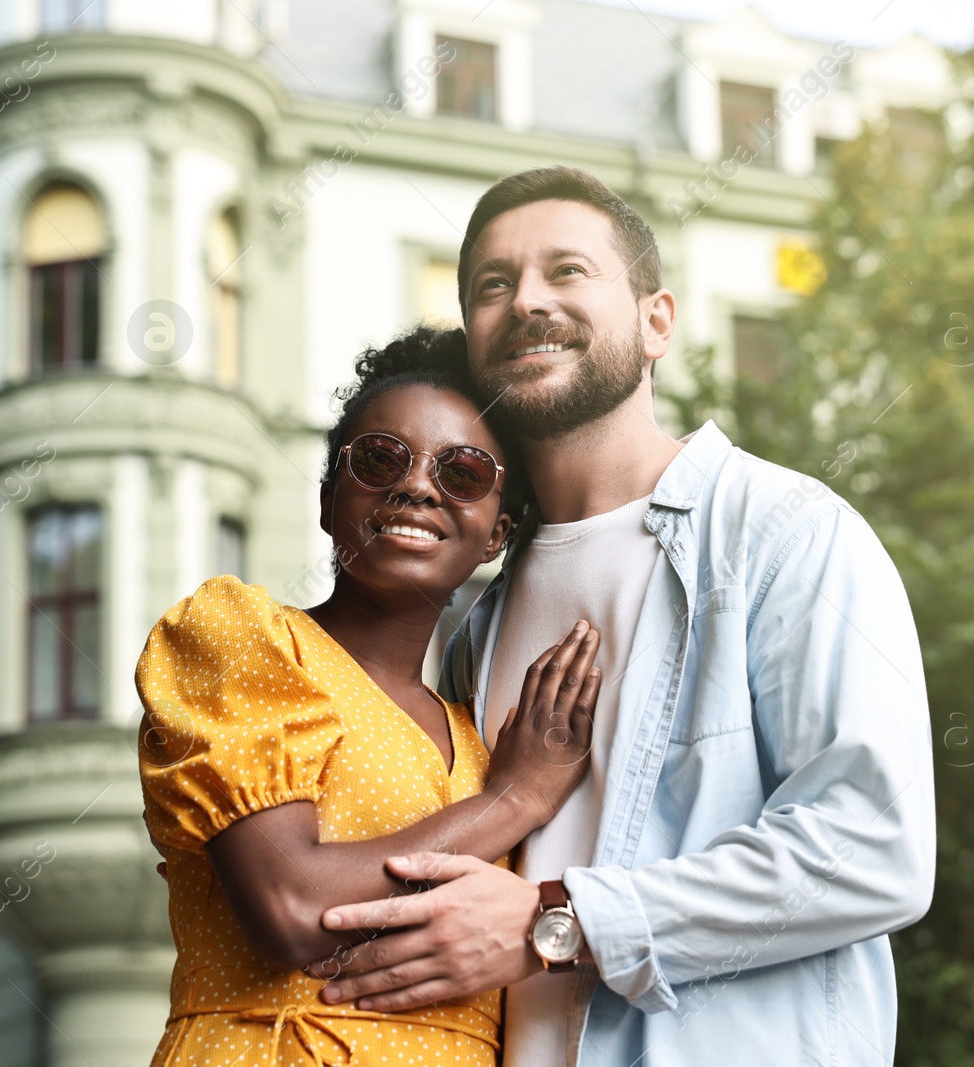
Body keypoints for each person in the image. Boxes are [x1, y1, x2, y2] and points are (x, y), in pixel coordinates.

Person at [315, 167, 937, 1066]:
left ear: (657, 321)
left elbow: (872, 844)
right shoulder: (467, 628)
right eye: (494, 284)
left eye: (568, 271)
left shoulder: (784, 534)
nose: (528, 299)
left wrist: (554, 923)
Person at [135, 326, 602, 1066]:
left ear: (495, 534)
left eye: (465, 473)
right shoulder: (240, 639)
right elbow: (293, 908)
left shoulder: (479, 732)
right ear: (328, 500)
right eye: (381, 458)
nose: (417, 484)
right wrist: (513, 803)